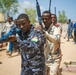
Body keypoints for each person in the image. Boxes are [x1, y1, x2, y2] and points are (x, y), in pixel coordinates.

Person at [42, 11, 62, 75]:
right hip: (45, 58)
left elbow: (56, 39)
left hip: (54, 59)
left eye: (46, 19)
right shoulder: (42, 29)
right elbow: (35, 41)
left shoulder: (56, 28)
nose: (44, 20)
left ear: (51, 19)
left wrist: (45, 34)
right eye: (43, 19)